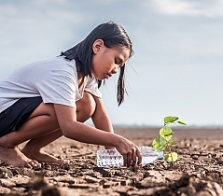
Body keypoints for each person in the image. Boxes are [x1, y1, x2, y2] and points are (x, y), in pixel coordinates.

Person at [0, 21, 142, 168]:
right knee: (60, 110)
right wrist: (118, 140)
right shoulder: (64, 71)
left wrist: (113, 153)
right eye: (116, 61)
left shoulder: (86, 76)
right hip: (3, 113)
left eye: (120, 66)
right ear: (98, 46)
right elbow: (69, 127)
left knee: (87, 104)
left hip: (12, 115)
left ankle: (32, 150)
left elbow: (100, 114)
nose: (115, 70)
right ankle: (6, 145)